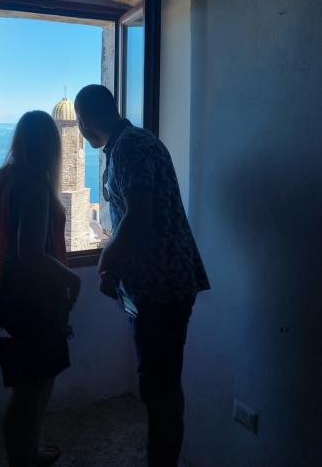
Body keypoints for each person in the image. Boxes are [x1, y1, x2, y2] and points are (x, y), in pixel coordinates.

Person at [74, 85, 210, 467]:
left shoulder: (129, 147)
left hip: (160, 285)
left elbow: (138, 216)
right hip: (163, 281)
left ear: (83, 121)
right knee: (162, 380)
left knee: (159, 386)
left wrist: (106, 263)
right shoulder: (136, 141)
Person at [0, 110, 81, 467]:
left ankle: (26, 453)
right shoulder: (37, 187)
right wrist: (70, 277)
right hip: (31, 298)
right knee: (31, 389)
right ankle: (23, 459)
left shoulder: (2, 178)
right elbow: (32, 253)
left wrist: (8, 250)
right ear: (51, 145)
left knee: (34, 381)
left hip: (2, 289)